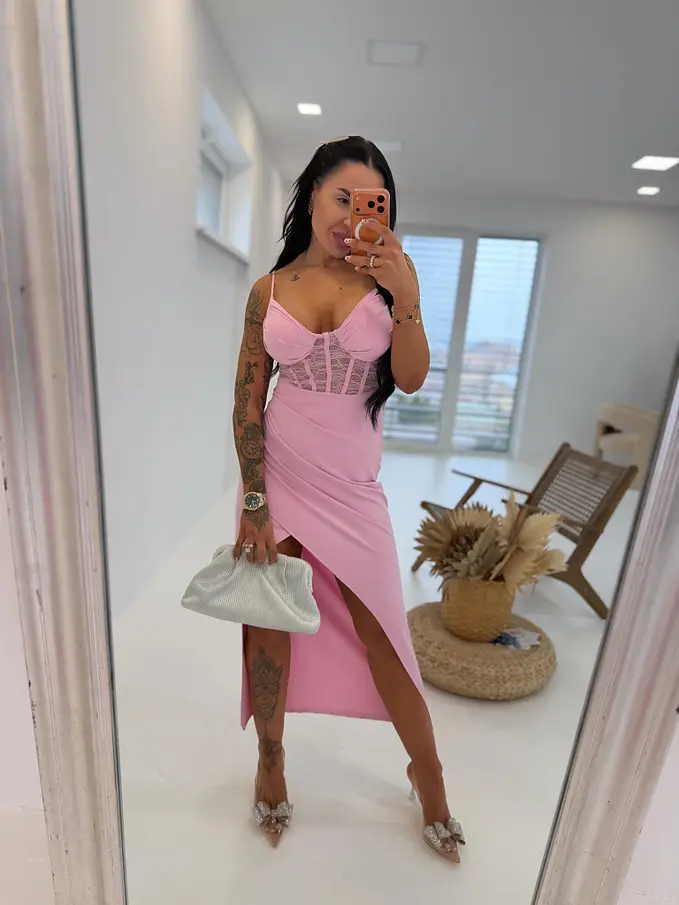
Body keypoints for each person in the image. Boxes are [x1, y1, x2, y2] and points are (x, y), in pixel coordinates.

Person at [232, 136, 465, 862]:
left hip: (353, 490)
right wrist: (254, 500)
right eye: (343, 198)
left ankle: (427, 773)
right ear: (311, 195)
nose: (353, 216)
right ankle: (270, 761)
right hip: (280, 476)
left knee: (386, 637)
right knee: (269, 627)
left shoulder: (390, 283)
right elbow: (246, 402)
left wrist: (407, 297)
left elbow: (413, 378)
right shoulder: (269, 290)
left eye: (373, 203)